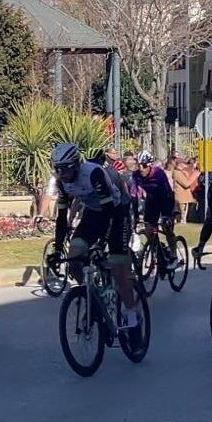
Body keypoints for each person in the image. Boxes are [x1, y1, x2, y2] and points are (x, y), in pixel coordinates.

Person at [49, 141, 141, 331]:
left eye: (66, 170)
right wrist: (57, 250)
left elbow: (108, 210)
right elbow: (61, 218)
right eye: (59, 171)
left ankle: (133, 315)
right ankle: (91, 294)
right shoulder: (62, 182)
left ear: (76, 165)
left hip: (116, 213)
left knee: (117, 267)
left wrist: (100, 242)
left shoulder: (93, 173)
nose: (63, 176)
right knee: (74, 257)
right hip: (93, 214)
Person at [128, 151, 177, 262]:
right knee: (149, 229)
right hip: (152, 200)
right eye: (139, 165)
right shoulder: (136, 175)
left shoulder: (158, 173)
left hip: (166, 200)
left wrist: (166, 215)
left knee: (167, 228)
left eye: (144, 165)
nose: (141, 168)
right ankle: (158, 251)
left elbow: (167, 193)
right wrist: (135, 215)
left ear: (149, 165)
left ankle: (174, 254)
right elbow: (134, 196)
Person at [168, 156, 200, 224]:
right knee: (182, 215)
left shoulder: (181, 172)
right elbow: (186, 183)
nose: (184, 165)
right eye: (182, 164)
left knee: (184, 214)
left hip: (184, 197)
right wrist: (195, 174)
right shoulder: (177, 173)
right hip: (181, 197)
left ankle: (182, 221)